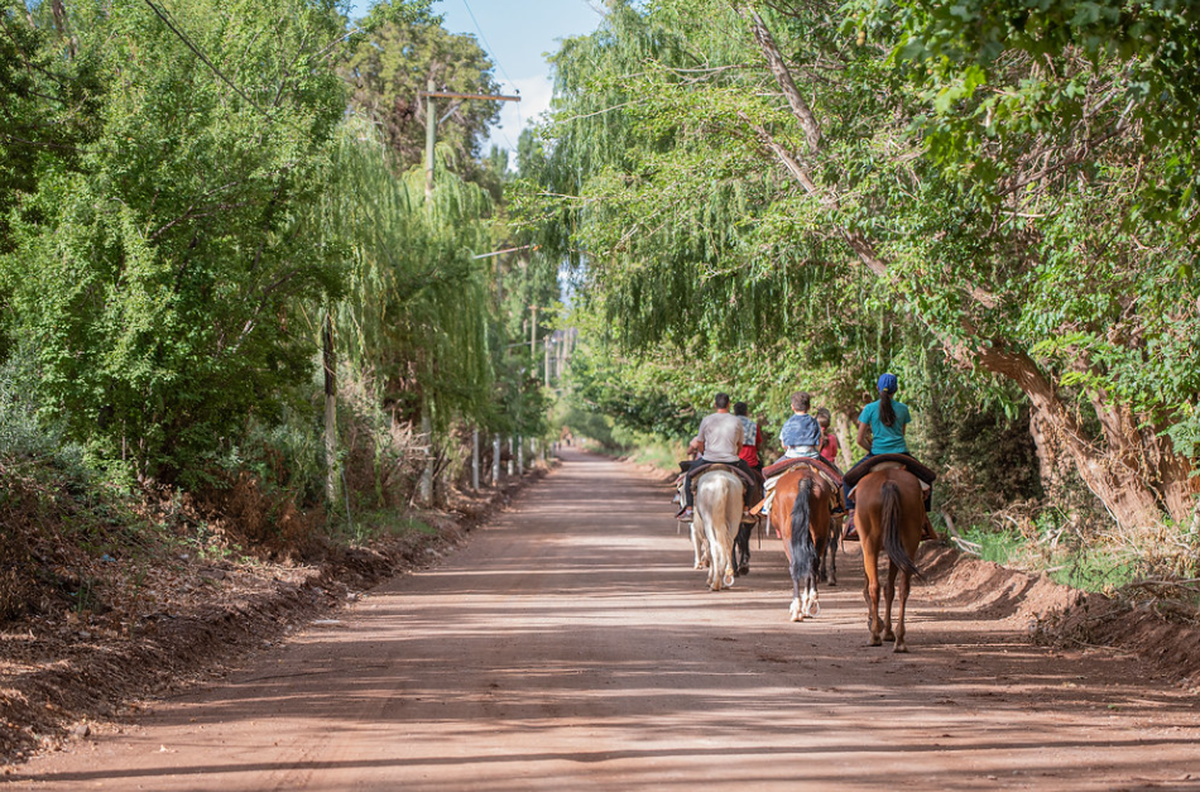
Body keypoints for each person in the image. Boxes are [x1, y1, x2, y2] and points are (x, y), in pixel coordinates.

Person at [843, 373, 935, 539]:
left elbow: (859, 439)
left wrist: (870, 447)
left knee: (847, 480)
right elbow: (902, 434)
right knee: (928, 478)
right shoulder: (903, 409)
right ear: (896, 389)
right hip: (901, 454)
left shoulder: (869, 409)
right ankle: (922, 519)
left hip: (876, 454)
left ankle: (851, 519)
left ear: (878, 388)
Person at [677, 392, 754, 519]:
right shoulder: (736, 421)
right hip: (732, 460)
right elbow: (740, 444)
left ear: (715, 404)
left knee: (688, 478)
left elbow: (700, 442)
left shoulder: (706, 420)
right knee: (751, 481)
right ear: (729, 405)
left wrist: (704, 454)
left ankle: (689, 510)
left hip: (709, 459)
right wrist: (734, 454)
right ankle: (746, 511)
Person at [778, 391, 822, 459]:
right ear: (809, 407)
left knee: (773, 467)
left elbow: (784, 445)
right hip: (812, 456)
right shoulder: (814, 422)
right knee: (831, 468)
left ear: (792, 407)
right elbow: (819, 442)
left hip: (791, 456)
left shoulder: (787, 423)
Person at [733, 401, 764, 473]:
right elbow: (758, 447)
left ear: (734, 412)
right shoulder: (754, 425)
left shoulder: (730, 425)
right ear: (746, 412)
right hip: (750, 463)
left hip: (733, 462)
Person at [816, 407, 840, 472]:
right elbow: (834, 454)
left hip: (816, 465)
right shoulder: (832, 438)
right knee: (843, 480)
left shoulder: (813, 438)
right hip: (829, 466)